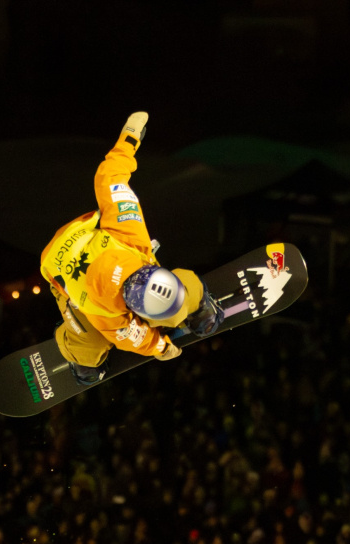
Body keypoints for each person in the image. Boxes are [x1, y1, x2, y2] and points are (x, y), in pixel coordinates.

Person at [38, 111, 222, 386]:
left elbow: (111, 177)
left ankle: (194, 301)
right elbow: (132, 337)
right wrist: (160, 346)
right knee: (90, 347)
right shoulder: (104, 313)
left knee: (183, 292)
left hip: (94, 242)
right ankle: (77, 348)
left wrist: (129, 139)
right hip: (63, 275)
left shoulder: (128, 229)